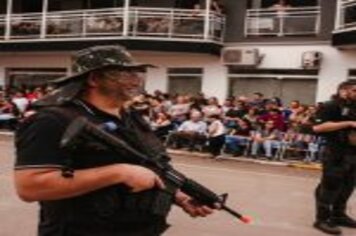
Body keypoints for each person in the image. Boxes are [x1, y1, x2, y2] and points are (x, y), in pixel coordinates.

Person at [14, 45, 214, 236]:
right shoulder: (52, 120)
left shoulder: (130, 116)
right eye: (125, 74)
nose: (136, 80)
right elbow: (30, 187)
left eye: (137, 73)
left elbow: (148, 166)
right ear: (94, 79)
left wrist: (178, 196)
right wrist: (118, 173)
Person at [313, 80, 356, 235]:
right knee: (329, 187)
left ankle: (338, 215)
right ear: (343, 91)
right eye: (355, 90)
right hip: (335, 153)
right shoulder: (330, 106)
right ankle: (322, 219)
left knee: (348, 187)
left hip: (353, 154)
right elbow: (317, 127)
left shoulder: (353, 107)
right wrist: (349, 123)